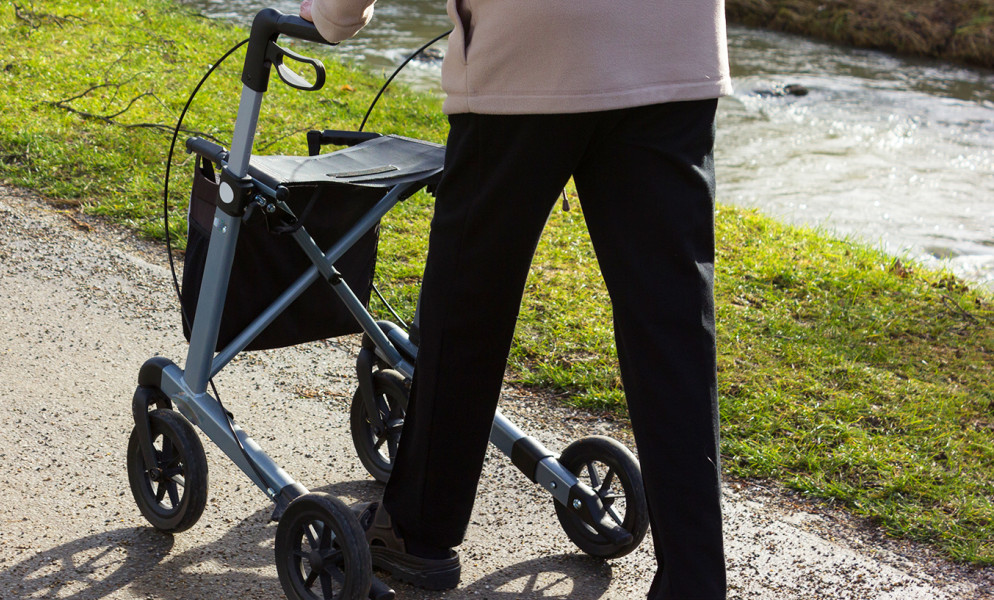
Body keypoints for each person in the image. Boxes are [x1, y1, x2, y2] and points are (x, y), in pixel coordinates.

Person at [300, 0, 731, 597]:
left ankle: (420, 530)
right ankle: (695, 579)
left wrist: (335, 15)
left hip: (529, 50)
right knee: (673, 325)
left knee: (470, 301)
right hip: (672, 50)